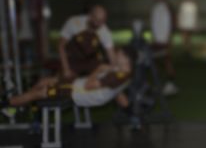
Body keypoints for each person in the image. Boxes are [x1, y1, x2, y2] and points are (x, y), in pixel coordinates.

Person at [1, 47, 132, 112]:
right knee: (44, 81)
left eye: (118, 54)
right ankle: (20, 104)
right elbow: (120, 95)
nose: (115, 55)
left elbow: (88, 86)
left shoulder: (116, 76)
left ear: (126, 59)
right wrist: (130, 113)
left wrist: (99, 69)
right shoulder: (125, 74)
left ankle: (7, 106)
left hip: (77, 92)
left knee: (38, 92)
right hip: (76, 85)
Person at [58, 4, 115, 81]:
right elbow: (61, 46)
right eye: (96, 20)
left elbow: (111, 56)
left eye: (101, 21)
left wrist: (115, 69)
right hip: (73, 64)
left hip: (92, 66)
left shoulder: (105, 32)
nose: (97, 24)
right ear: (90, 16)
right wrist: (66, 69)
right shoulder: (73, 23)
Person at [150, 0, 178, 96]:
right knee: (156, 62)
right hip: (157, 40)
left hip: (164, 40)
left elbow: (172, 23)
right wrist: (153, 38)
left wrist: (169, 38)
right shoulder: (155, 7)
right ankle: (160, 84)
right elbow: (154, 24)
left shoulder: (168, 7)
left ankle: (171, 84)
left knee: (167, 61)